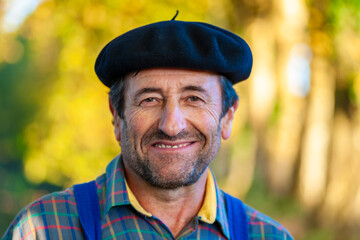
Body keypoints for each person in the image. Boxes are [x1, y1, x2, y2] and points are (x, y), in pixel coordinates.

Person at [3, 16, 293, 240]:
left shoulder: (268, 236)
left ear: (227, 117)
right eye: (149, 99)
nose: (171, 125)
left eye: (194, 99)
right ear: (117, 117)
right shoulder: (44, 228)